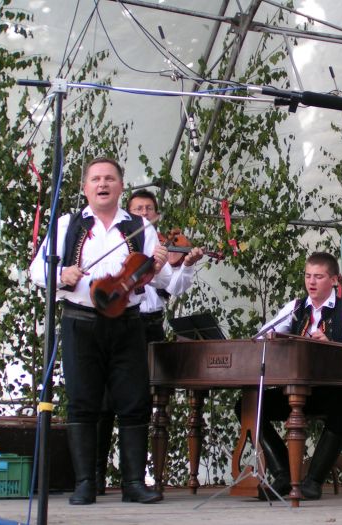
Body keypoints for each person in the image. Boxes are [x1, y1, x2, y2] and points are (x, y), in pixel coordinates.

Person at [30, 157, 170, 505]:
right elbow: (35, 271)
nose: (102, 184)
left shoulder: (140, 226)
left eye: (109, 178)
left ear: (121, 186)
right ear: (85, 187)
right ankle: (85, 483)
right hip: (81, 321)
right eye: (95, 179)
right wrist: (61, 275)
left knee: (134, 401)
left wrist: (159, 266)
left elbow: (162, 280)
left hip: (127, 323)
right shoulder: (67, 224)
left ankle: (133, 483)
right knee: (82, 400)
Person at [94, 189, 205, 495]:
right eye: (137, 209)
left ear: (156, 214)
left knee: (140, 402)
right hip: (121, 322)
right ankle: (96, 473)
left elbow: (174, 286)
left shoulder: (160, 250)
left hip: (151, 328)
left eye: (148, 209)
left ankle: (138, 478)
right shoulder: (120, 242)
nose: (144, 214)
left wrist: (186, 265)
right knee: (105, 401)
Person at [247, 251, 342, 501]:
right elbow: (262, 335)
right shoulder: (295, 308)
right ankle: (283, 474)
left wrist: (332, 346)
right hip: (297, 391)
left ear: (334, 280)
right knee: (249, 406)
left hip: (335, 391)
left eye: (318, 276)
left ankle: (313, 481)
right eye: (307, 276)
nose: (311, 282)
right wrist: (272, 338)